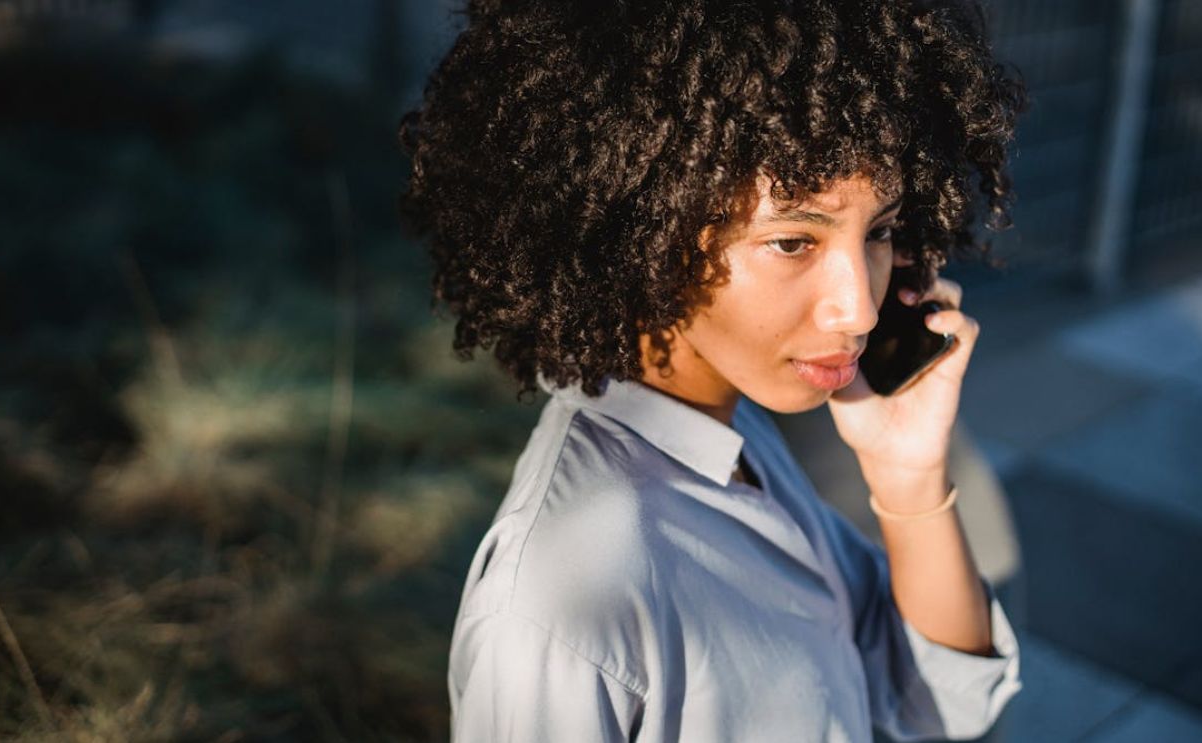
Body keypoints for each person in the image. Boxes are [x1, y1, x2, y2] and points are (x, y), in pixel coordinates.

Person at [400, 0, 1028, 740]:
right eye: (793, 241)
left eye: (880, 231)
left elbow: (936, 701)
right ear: (642, 228)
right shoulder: (564, 597)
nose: (859, 307)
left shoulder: (738, 438)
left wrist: (906, 475)